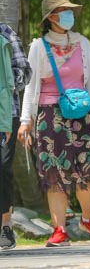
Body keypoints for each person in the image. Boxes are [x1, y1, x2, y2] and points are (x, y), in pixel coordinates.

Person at [18, 0, 90, 247]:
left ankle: (88, 219)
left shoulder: (83, 43)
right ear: (51, 17)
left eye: (70, 10)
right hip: (49, 116)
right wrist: (26, 120)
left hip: (81, 114)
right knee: (54, 175)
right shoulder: (38, 46)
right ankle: (59, 230)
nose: (69, 15)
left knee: (87, 170)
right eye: (63, 11)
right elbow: (30, 85)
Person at [0, 23, 31, 251]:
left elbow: (25, 72)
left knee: (2, 167)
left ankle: (5, 225)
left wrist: (7, 80)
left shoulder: (6, 33)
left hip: (6, 112)